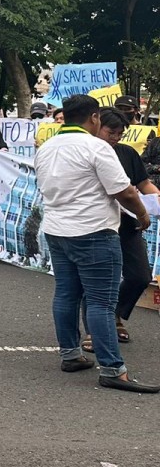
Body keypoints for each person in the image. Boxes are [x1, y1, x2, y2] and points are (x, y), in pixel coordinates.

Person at [34, 94, 157, 393]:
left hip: (57, 229)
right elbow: (124, 191)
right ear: (93, 118)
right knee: (102, 302)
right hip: (93, 231)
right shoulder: (96, 147)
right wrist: (143, 215)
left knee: (66, 293)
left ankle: (70, 354)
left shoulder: (47, 147)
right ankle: (113, 368)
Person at [87, 108, 156, 348]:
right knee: (97, 279)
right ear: (96, 125)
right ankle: (92, 331)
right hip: (97, 224)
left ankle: (116, 314)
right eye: (111, 131)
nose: (115, 137)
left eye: (119, 133)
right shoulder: (88, 153)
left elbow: (143, 183)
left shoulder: (127, 153)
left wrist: (155, 198)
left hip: (129, 224)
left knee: (140, 276)